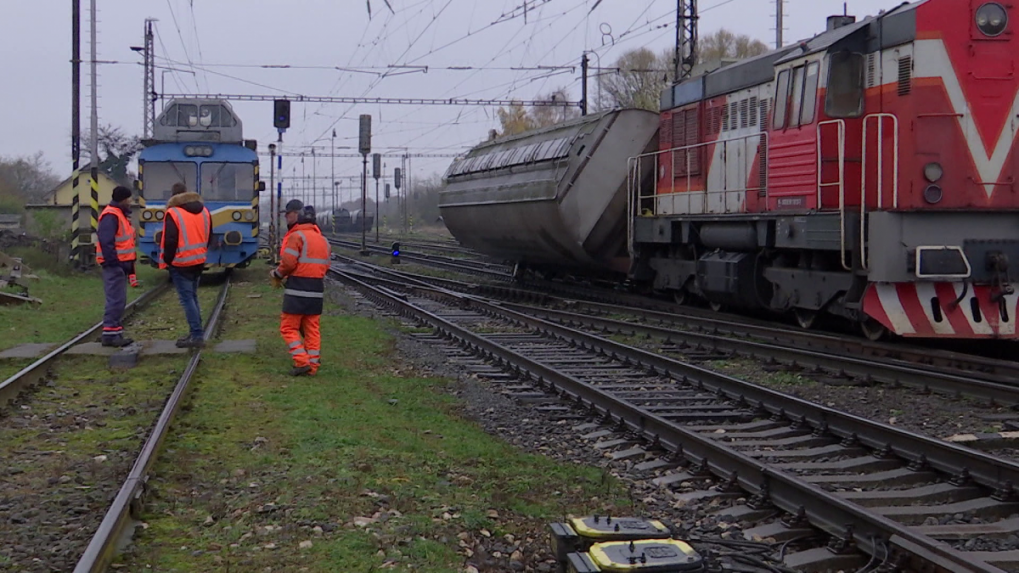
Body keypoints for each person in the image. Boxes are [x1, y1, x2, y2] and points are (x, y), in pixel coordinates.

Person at [270, 200, 331, 376]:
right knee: (312, 328)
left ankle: (301, 361)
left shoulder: (297, 237)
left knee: (288, 328)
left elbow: (288, 263)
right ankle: (312, 366)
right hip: (316, 289)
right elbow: (326, 266)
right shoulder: (324, 241)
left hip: (297, 288)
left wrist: (277, 275)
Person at [161, 182, 212, 348]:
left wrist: (168, 260)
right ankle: (196, 332)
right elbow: (209, 236)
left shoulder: (173, 213)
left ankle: (196, 335)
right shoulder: (204, 211)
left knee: (187, 299)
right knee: (193, 297)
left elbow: (170, 240)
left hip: (181, 263)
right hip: (199, 261)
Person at [96, 185, 137, 347]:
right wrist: (115, 263)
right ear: (123, 199)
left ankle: (115, 332)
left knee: (119, 300)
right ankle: (110, 334)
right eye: (129, 199)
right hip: (114, 265)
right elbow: (106, 242)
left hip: (119, 265)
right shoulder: (111, 215)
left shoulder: (119, 214)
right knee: (115, 300)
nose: (131, 202)